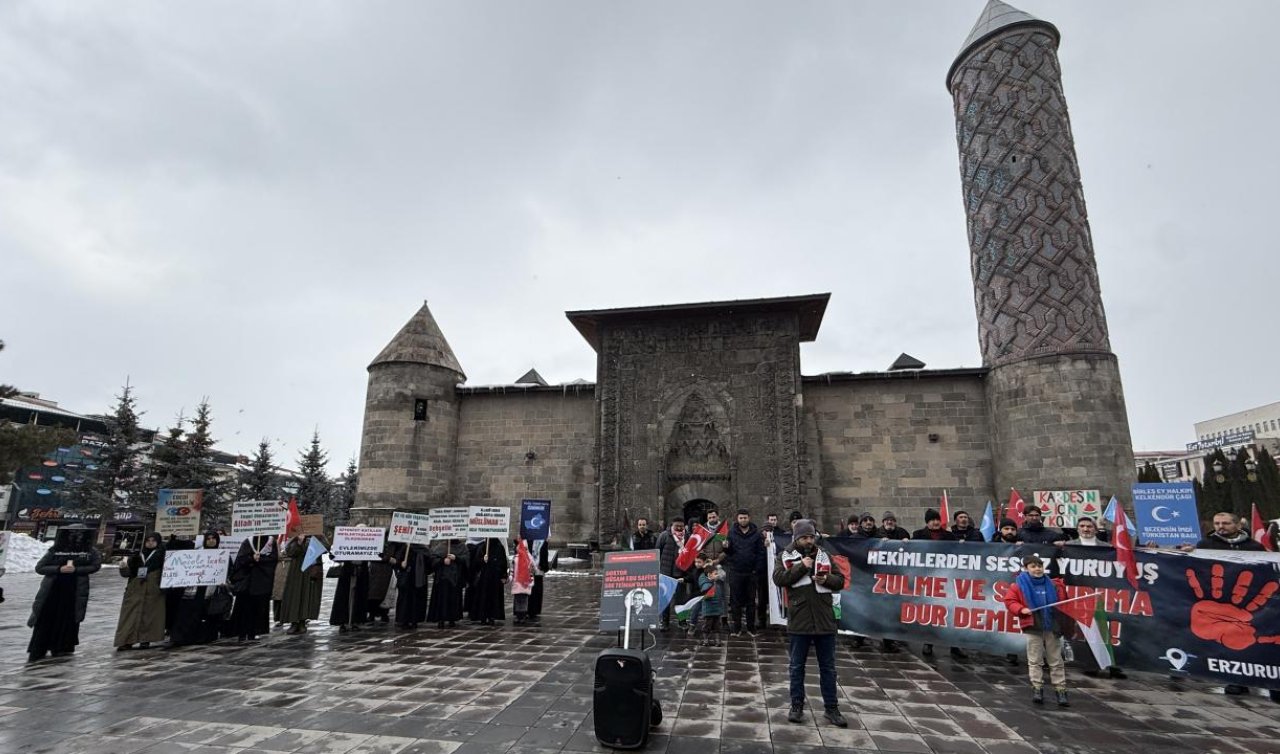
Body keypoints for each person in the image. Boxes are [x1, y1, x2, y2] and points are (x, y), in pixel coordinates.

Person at [1186, 512, 1272, 699]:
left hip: (1246, 599)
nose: (1220, 527)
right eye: (1217, 523)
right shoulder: (1205, 545)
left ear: (1237, 525)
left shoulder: (1253, 546)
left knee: (1248, 640)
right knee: (1230, 640)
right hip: (1218, 600)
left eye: (1225, 523)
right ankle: (1235, 680)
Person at [773, 519, 848, 728]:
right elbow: (779, 578)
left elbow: (840, 580)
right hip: (800, 619)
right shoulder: (785, 556)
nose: (808, 541)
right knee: (797, 666)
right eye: (804, 537)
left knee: (828, 668)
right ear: (796, 538)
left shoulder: (824, 555)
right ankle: (796, 706)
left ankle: (832, 709)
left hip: (824, 619)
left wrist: (827, 581)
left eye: (811, 536)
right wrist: (800, 567)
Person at [1060, 517, 1127, 679]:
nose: (1085, 529)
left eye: (1089, 526)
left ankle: (1110, 665)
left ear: (1095, 529)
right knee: (1082, 630)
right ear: (1077, 529)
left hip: (1101, 594)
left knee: (1104, 629)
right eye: (1082, 526)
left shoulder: (1107, 548)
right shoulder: (1068, 546)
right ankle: (1088, 664)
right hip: (1078, 593)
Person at [1001, 555, 1070, 707]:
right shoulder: (1018, 586)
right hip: (1033, 627)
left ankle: (1061, 690)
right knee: (1035, 660)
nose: (1037, 569)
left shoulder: (1053, 584)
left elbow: (1063, 602)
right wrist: (1021, 609)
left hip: (1052, 627)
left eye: (1039, 566)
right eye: (1033, 566)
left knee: (1056, 660)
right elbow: (1010, 601)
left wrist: (1061, 589)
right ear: (1026, 569)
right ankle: (1037, 689)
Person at [28, 524, 101, 662]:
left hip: (74, 590)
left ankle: (61, 646)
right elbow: (40, 567)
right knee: (46, 618)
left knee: (69, 618)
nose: (75, 538)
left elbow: (95, 566)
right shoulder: (56, 550)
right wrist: (59, 569)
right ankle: (40, 646)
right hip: (53, 590)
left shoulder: (89, 551)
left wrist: (77, 570)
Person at [912, 511, 965, 659]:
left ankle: (955, 645)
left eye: (937, 519)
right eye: (932, 520)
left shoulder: (949, 536)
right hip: (928, 579)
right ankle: (929, 643)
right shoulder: (918, 535)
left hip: (947, 578)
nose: (935, 522)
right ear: (927, 522)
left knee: (951, 612)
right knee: (932, 612)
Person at [169, 531, 230, 647]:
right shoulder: (196, 553)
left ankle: (202, 637)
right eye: (209, 539)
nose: (211, 541)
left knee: (204, 615)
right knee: (187, 614)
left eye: (214, 539)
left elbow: (227, 572)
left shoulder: (222, 555)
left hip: (210, 592)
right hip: (193, 589)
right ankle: (181, 638)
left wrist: (224, 581)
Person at [114, 532, 167, 651]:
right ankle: (126, 640)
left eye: (153, 540)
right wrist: (123, 567)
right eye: (148, 540)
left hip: (153, 589)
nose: (150, 543)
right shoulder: (136, 553)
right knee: (130, 615)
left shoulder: (162, 554)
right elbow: (128, 573)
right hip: (135, 588)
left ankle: (145, 640)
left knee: (149, 615)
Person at [228, 534, 278, 642]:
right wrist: (251, 558)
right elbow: (240, 560)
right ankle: (242, 633)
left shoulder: (271, 542)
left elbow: (274, 559)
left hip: (262, 581)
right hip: (247, 582)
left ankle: (253, 632)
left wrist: (261, 559)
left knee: (258, 609)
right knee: (244, 609)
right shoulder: (248, 542)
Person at [723, 508, 763, 636]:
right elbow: (729, 553)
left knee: (751, 601)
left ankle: (751, 627)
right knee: (735, 601)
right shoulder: (731, 533)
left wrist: (756, 569)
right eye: (741, 518)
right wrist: (726, 548)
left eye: (745, 517)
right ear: (737, 519)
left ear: (749, 518)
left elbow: (760, 553)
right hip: (736, 572)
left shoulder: (756, 534)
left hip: (751, 573)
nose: (743, 520)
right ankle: (737, 628)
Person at [279, 531, 325, 634]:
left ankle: (302, 622)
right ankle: (293, 622)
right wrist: (299, 542)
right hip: (297, 571)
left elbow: (326, 548)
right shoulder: (295, 536)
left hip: (311, 570)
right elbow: (290, 552)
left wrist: (318, 539)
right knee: (294, 596)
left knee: (307, 595)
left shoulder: (317, 536)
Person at [656, 518, 689, 630]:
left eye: (681, 526)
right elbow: (657, 550)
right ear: (672, 525)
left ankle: (682, 621)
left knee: (681, 599)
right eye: (677, 525)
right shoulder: (664, 536)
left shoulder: (688, 537)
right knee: (665, 598)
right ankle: (664, 622)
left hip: (681, 573)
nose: (679, 528)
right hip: (666, 572)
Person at [428, 538, 468, 628]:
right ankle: (441, 619)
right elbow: (433, 560)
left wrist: (456, 558)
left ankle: (452, 619)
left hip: (455, 579)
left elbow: (466, 560)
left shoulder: (462, 547)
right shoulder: (441, 546)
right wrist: (442, 561)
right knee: (441, 600)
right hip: (442, 578)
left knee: (453, 599)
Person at [391, 541, 431, 629]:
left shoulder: (424, 550)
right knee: (405, 600)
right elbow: (396, 561)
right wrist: (401, 564)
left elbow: (429, 565)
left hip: (418, 579)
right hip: (406, 578)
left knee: (416, 600)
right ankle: (404, 620)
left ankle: (414, 620)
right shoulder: (405, 547)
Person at [469, 537, 509, 626]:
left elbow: (503, 562)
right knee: (483, 597)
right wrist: (483, 560)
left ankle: (492, 616)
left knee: (493, 598)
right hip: (484, 578)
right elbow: (475, 564)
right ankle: (483, 616)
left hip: (495, 577)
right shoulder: (483, 547)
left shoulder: (499, 547)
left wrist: (503, 575)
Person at [329, 558, 370, 633]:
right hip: (347, 571)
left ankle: (356, 621)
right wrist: (335, 556)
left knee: (359, 598)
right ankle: (342, 622)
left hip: (361, 571)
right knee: (343, 597)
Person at [696, 554, 726, 646]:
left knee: (717, 627)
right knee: (707, 626)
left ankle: (717, 641)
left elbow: (720, 597)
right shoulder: (707, 585)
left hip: (716, 611)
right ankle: (706, 640)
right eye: (715, 574)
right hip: (709, 611)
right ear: (709, 575)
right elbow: (704, 596)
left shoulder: (716, 584)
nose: (717, 575)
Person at [367, 551, 394, 623]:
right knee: (372, 593)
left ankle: (382, 613)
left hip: (385, 569)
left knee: (384, 592)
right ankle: (373, 613)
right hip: (375, 568)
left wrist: (387, 558)